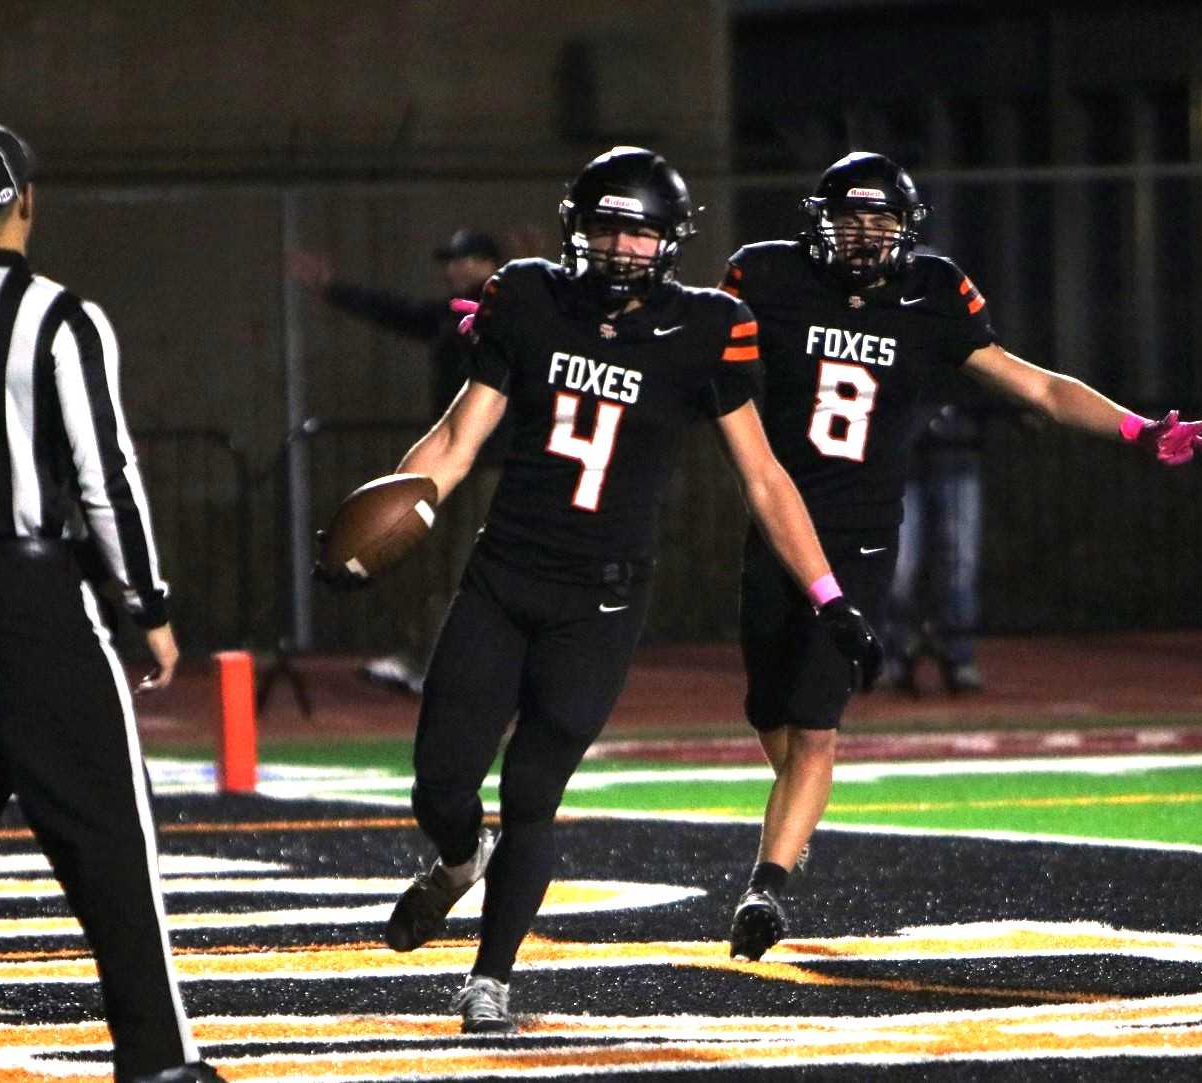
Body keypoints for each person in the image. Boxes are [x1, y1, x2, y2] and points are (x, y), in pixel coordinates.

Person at [319, 146, 880, 1035]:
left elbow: (765, 477)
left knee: (533, 790)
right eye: (607, 227)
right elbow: (458, 438)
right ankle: (459, 859)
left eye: (640, 231)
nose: (622, 246)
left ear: (671, 240)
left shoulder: (705, 327)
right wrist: (398, 515)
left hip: (601, 603)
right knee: (439, 783)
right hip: (504, 577)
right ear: (576, 228)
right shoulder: (528, 297)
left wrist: (828, 594)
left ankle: (490, 979)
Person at [718, 151, 1202, 961]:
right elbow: (683, 347)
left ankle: (766, 885)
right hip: (777, 525)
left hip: (859, 536)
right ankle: (795, 820)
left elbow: (1039, 387)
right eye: (851, 219)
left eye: (881, 221)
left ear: (907, 228)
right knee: (769, 711)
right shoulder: (768, 277)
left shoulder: (933, 292)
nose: (865, 235)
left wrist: (1137, 427)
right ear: (819, 223)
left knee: (815, 726)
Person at [0, 120, 222, 1082]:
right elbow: (105, 473)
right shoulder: (62, 318)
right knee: (109, 828)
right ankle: (156, 1059)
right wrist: (147, 604)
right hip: (28, 592)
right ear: (28, 201)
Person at [288, 228, 505, 694]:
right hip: (456, 460)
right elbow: (399, 312)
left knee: (466, 566)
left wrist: (535, 266)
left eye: (464, 259)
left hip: (491, 463)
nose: (454, 268)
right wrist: (333, 289)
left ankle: (445, 665)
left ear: (489, 263)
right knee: (444, 563)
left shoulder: (509, 310)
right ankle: (436, 660)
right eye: (451, 260)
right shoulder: (454, 313)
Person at [883, 399, 986, 695]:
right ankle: (893, 653)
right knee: (900, 567)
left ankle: (960, 655)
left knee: (960, 565)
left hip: (957, 455)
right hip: (904, 460)